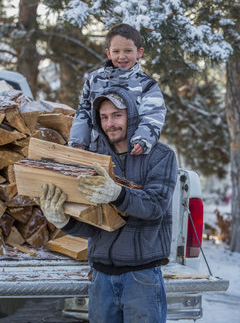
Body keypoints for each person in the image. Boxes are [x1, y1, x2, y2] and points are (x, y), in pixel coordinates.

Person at [39, 89, 178, 323]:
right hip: (101, 277)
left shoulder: (160, 156)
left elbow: (155, 206)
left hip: (141, 277)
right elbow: (94, 225)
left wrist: (117, 193)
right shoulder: (94, 158)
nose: (109, 124)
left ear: (132, 116)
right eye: (104, 117)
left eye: (116, 115)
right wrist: (64, 221)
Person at [69, 23, 166, 156]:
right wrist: (78, 140)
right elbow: (84, 111)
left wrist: (143, 139)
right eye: (116, 51)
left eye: (128, 51)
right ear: (108, 53)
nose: (122, 56)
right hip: (97, 149)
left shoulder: (147, 84)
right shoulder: (94, 79)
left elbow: (153, 115)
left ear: (139, 52)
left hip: (130, 151)